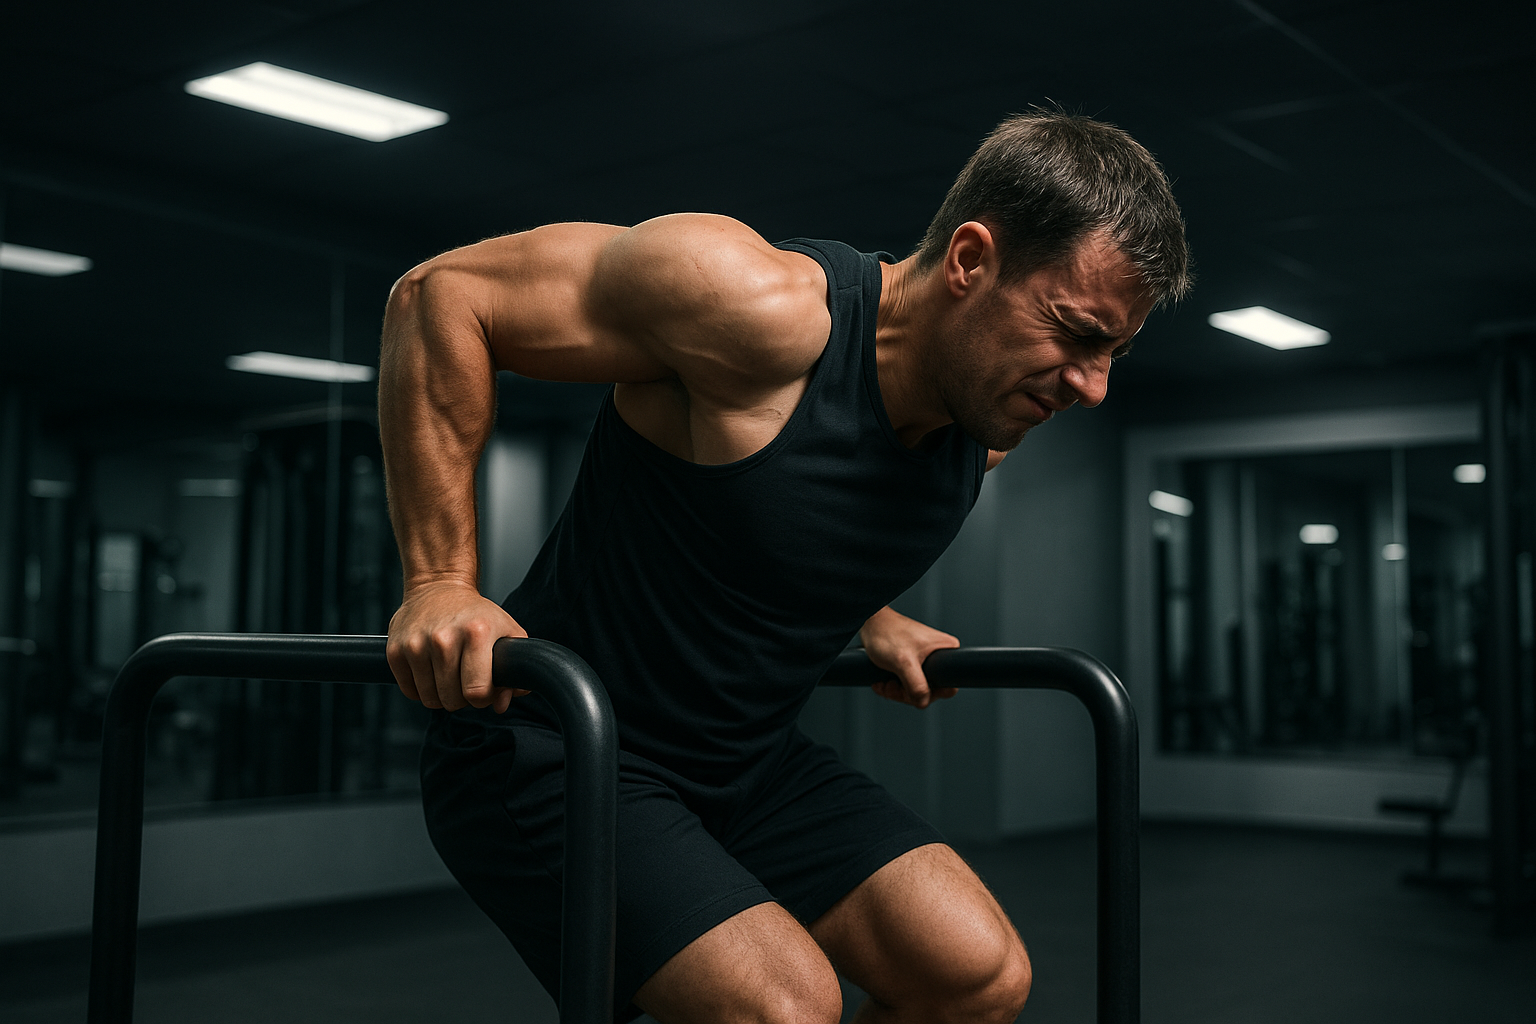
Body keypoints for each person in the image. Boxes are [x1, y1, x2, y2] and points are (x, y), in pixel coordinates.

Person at [379, 109, 1190, 1024]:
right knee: (788, 1008)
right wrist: (439, 582)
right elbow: (443, 296)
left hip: (747, 763)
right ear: (970, 260)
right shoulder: (755, 308)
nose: (1093, 386)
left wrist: (873, 615)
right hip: (557, 744)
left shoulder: (986, 424)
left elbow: (794, 512)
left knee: (975, 977)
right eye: (1075, 332)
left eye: (1113, 351)